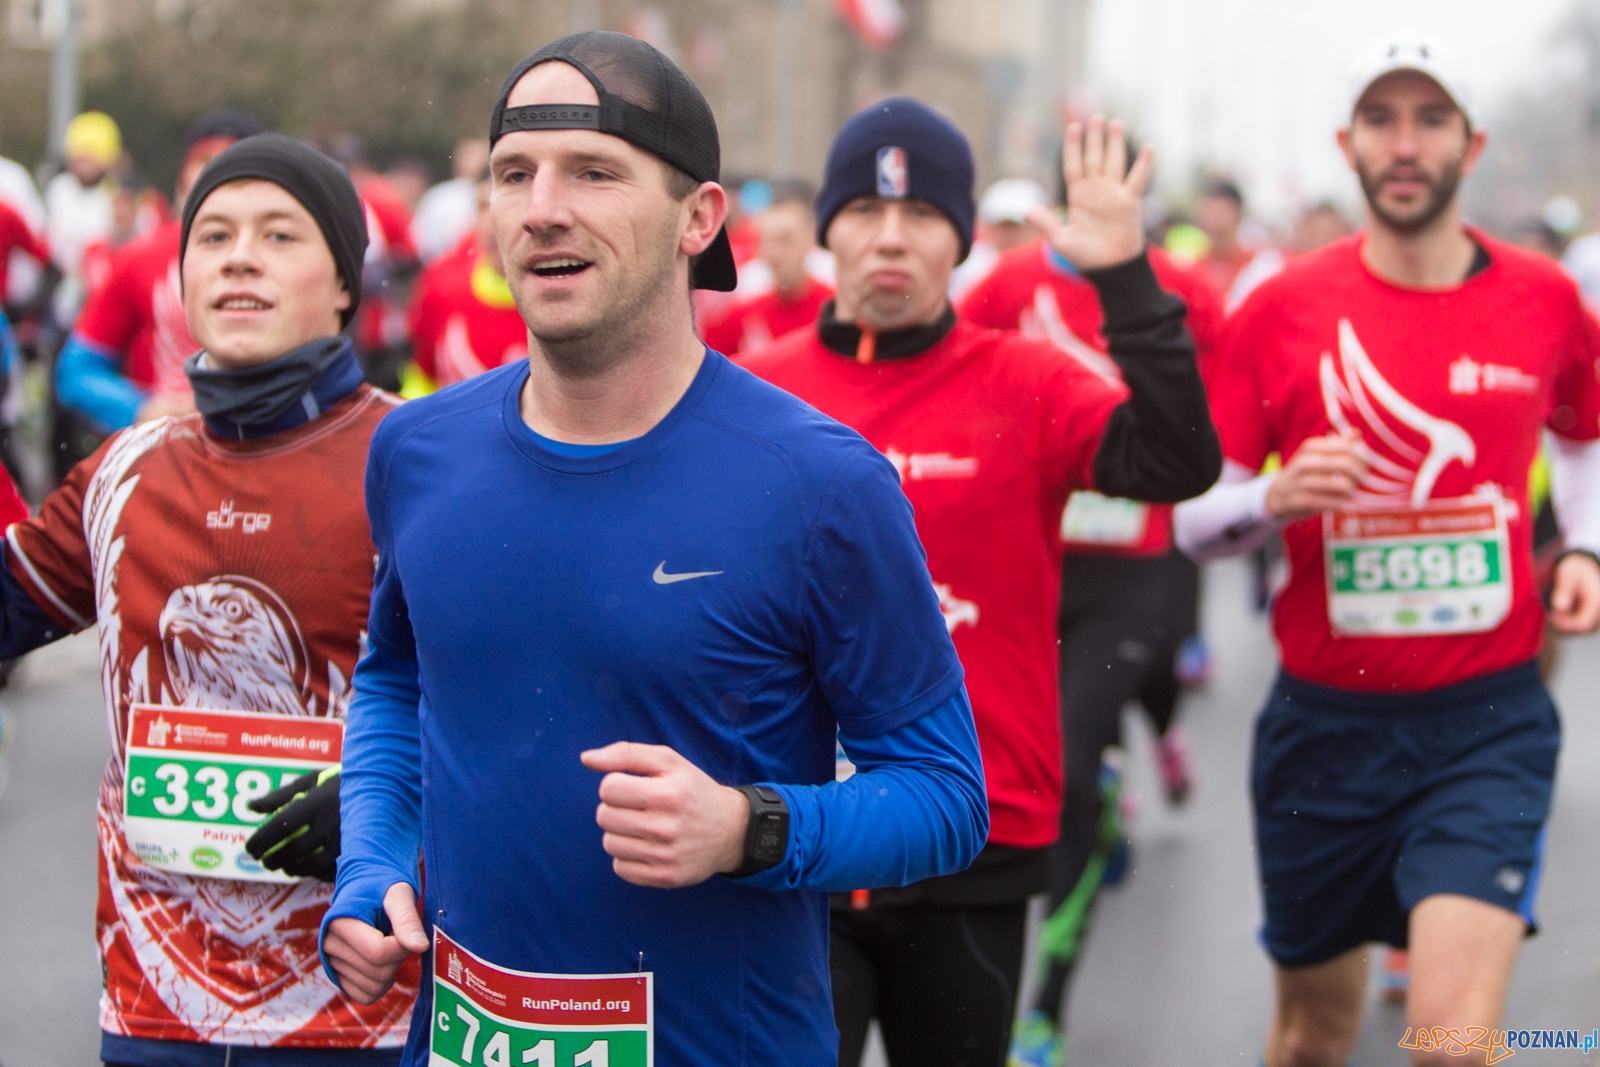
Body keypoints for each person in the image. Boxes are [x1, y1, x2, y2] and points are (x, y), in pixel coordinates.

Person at [319, 31, 988, 1067]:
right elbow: (396, 682)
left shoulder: (820, 483)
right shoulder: (417, 449)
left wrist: (747, 828)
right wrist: (370, 866)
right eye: (513, 173)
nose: (543, 206)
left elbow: (945, 796)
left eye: (594, 171)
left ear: (699, 219)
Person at [740, 99, 1219, 1067]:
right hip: (794, 837)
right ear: (826, 225)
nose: (888, 238)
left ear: (959, 239)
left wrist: (1125, 279)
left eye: (921, 215)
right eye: (864, 213)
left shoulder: (1026, 381)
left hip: (976, 836)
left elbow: (1176, 463)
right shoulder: (748, 389)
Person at [1173, 30, 1600, 1066]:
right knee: (1312, 1033)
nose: (1404, 143)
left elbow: (1583, 439)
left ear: (1470, 140)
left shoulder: (1543, 296)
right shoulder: (1278, 306)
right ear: (1348, 143)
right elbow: (1195, 523)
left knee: (1451, 1039)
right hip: (1325, 725)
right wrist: (1275, 494)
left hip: (1486, 717)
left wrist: (1584, 549)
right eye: (1380, 119)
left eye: (1428, 118)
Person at [0, 132, 418, 1064]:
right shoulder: (124, 470)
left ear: (346, 283)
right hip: (154, 1010)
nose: (239, 255)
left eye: (279, 235)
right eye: (214, 235)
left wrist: (388, 800)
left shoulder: (421, 462)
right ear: (181, 279)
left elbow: (528, 701)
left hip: (362, 1012)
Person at [956, 160, 1227, 1067]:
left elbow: (1205, 426)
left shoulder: (1182, 289)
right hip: (1032, 564)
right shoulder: (1008, 281)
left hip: (1133, 575)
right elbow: (961, 381)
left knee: (1069, 769)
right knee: (999, 770)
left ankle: (1047, 1001)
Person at [52, 112, 260, 481]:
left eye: (238, 164)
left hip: (261, 465)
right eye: (205, 162)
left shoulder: (293, 268)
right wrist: (145, 408)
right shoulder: (137, 260)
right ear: (181, 176)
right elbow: (75, 372)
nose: (220, 177)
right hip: (159, 473)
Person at [403, 169, 526, 391]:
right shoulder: (440, 282)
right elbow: (422, 378)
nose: (491, 222)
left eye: (506, 204)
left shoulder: (572, 296)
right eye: (481, 207)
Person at [701, 183, 832, 354]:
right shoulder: (738, 316)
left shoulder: (834, 311)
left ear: (809, 239)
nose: (774, 253)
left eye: (785, 239)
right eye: (766, 241)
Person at [45, 112, 120, 286]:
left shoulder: (115, 196)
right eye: (80, 157)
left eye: (92, 158)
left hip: (100, 283)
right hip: (60, 283)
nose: (84, 164)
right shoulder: (59, 190)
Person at [1193, 178, 1285, 313]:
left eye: (1221, 211)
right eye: (1209, 211)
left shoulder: (1262, 265)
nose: (1213, 218)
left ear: (1239, 214)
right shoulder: (1192, 265)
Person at [948, 177, 1047, 302]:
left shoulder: (1052, 268)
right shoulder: (965, 267)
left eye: (1016, 226)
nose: (1008, 234)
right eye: (1002, 225)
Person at [409, 137, 490, 264]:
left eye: (476, 155)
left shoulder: (494, 192)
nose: (472, 162)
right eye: (467, 155)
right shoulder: (440, 196)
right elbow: (421, 238)